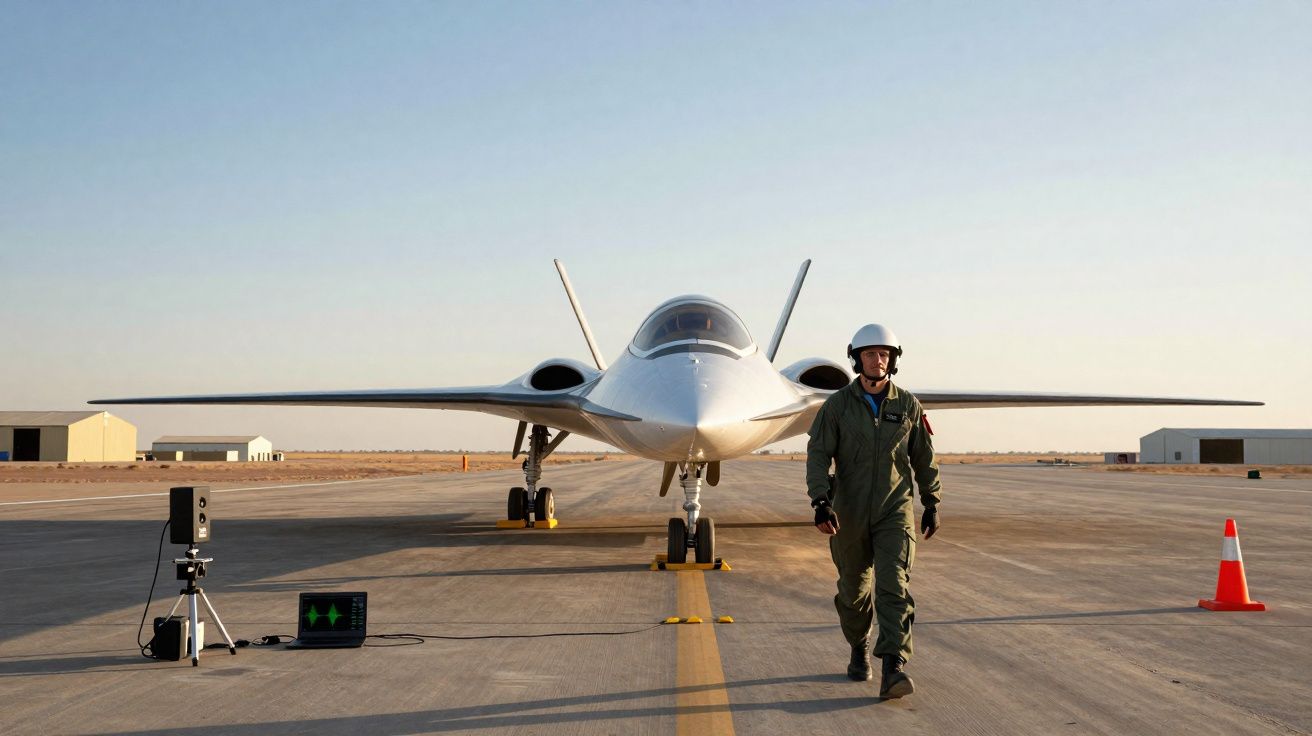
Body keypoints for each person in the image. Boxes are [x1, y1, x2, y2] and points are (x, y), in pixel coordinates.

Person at [805, 323, 942, 699]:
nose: (877, 360)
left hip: (894, 510)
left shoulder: (907, 405)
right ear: (857, 359)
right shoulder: (837, 406)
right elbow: (818, 455)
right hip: (848, 513)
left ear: (892, 360)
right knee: (853, 591)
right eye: (870, 354)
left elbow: (924, 457)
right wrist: (820, 501)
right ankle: (858, 645)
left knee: (894, 587)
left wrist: (931, 501)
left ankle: (893, 668)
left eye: (884, 354)